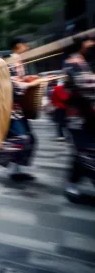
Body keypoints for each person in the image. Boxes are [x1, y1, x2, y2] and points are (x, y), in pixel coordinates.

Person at [0, 37, 40, 181]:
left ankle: (16, 170)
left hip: (17, 108)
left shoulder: (19, 61)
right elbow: (9, 84)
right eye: (26, 45)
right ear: (18, 46)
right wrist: (28, 84)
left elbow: (18, 81)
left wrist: (28, 80)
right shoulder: (10, 61)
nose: (28, 47)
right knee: (22, 139)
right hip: (8, 108)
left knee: (30, 139)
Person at [63, 34, 95, 200]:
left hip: (87, 116)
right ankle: (71, 184)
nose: (93, 44)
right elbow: (83, 84)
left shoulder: (84, 63)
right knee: (86, 151)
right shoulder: (72, 62)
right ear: (82, 44)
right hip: (77, 118)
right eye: (90, 41)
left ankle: (72, 183)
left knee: (82, 152)